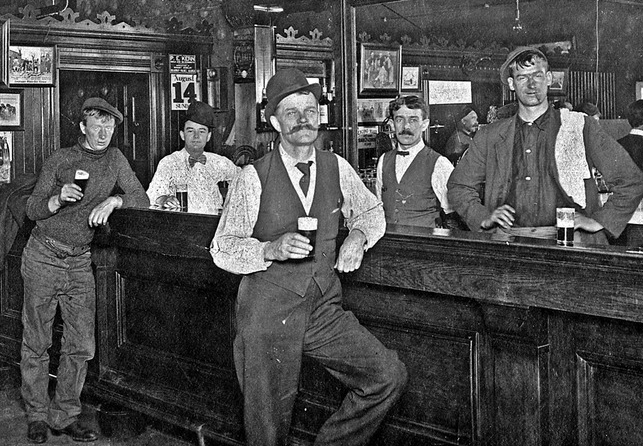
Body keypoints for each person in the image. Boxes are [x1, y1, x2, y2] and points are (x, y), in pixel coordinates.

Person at [210, 68, 407, 446]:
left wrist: (360, 237)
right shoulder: (252, 176)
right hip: (268, 312)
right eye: (291, 112)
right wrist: (268, 248)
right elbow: (223, 246)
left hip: (322, 308)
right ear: (273, 121)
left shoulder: (337, 166)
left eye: (310, 110)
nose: (304, 120)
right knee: (266, 428)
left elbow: (371, 211)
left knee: (387, 376)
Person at [21, 97, 150, 444]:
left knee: (80, 345)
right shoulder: (61, 159)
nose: (104, 132)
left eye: (110, 126)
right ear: (82, 127)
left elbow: (142, 196)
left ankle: (64, 416)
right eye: (98, 125)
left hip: (80, 260)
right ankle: (36, 414)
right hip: (43, 256)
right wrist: (57, 199)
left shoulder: (115, 159)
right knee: (37, 340)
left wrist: (115, 200)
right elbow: (32, 208)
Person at [447, 47, 643, 244]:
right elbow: (458, 187)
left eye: (538, 75)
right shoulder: (489, 136)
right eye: (522, 77)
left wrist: (598, 221)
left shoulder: (581, 126)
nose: (531, 84)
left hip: (574, 245)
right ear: (511, 84)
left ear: (549, 78)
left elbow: (631, 181)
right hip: (510, 247)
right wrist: (482, 217)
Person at [376, 94, 455, 228]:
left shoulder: (439, 164)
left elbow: (453, 214)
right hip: (389, 243)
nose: (406, 126)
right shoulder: (384, 160)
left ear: (424, 124)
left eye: (413, 120)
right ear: (392, 124)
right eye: (399, 119)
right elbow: (378, 207)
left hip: (423, 244)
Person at [146, 100, 239, 214]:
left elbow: (243, 179)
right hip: (183, 224)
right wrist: (164, 199)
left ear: (208, 136)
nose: (196, 136)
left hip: (214, 224)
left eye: (202, 131)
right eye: (190, 131)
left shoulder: (218, 162)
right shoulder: (169, 163)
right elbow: (152, 195)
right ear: (182, 135)